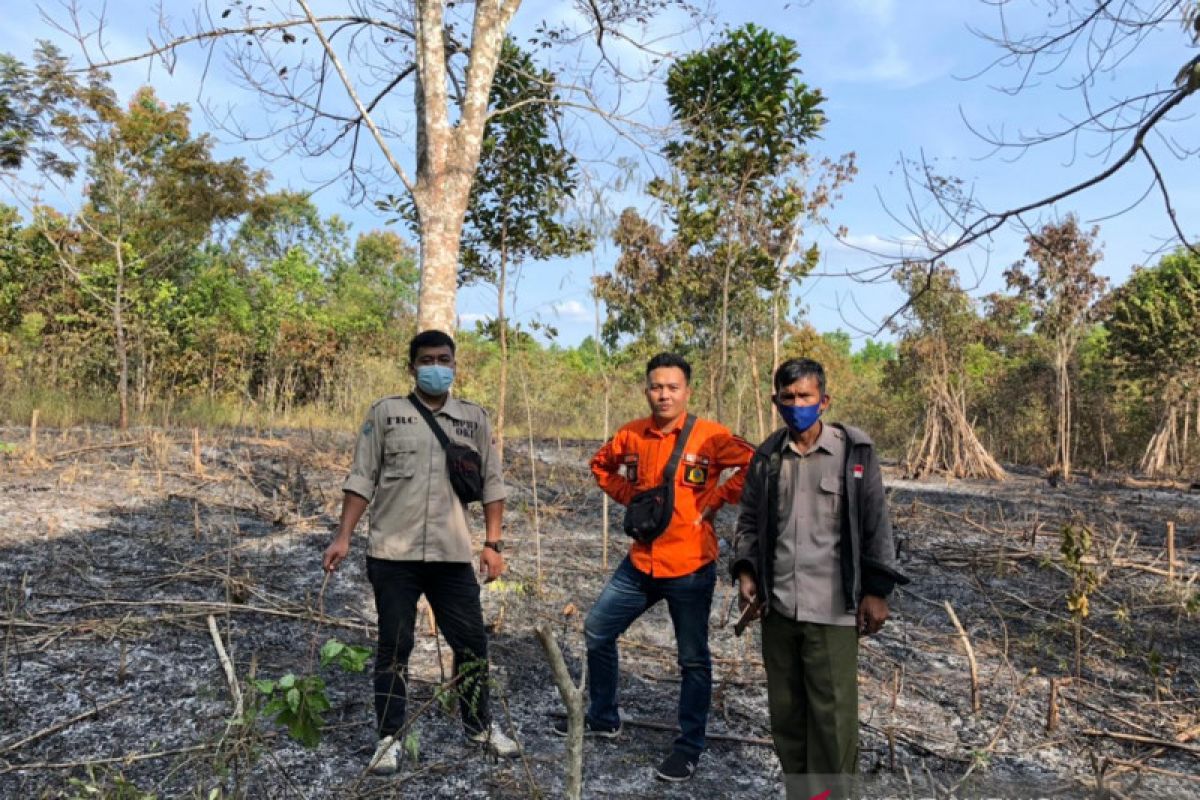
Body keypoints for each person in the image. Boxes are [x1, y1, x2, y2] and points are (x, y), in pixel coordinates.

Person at [323, 329, 518, 774]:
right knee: (395, 645)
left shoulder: (473, 418)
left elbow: (493, 484)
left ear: (454, 365)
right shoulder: (386, 414)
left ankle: (480, 727)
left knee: (471, 645)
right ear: (411, 367)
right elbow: (361, 479)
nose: (436, 366)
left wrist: (493, 544)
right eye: (427, 359)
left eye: (444, 359)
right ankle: (389, 737)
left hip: (451, 556)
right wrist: (342, 537)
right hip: (393, 553)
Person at [556, 352, 755, 782]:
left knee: (693, 661)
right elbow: (600, 465)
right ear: (646, 389)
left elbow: (754, 464)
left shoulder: (710, 436)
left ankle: (688, 747)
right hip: (641, 563)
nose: (663, 394)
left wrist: (717, 499)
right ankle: (604, 718)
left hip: (690, 565)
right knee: (597, 630)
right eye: (656, 386)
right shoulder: (632, 434)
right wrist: (632, 499)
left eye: (672, 387)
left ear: (687, 391)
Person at [732, 357, 908, 796]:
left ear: (824, 400)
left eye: (805, 396)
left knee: (832, 724)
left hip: (832, 610)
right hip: (779, 608)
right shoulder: (768, 455)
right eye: (788, 398)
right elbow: (750, 521)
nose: (797, 405)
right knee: (787, 719)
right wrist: (747, 571)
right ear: (776, 401)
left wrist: (878, 591)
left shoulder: (854, 453)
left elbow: (876, 524)